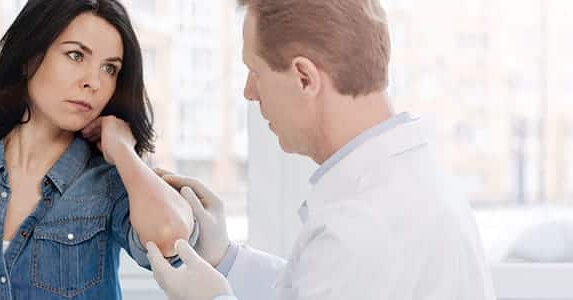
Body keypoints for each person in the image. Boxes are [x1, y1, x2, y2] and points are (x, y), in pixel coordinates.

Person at [145, 0, 496, 299]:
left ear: (304, 78)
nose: (249, 92)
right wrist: (226, 259)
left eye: (256, 71)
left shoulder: (358, 229)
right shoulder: (407, 183)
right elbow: (316, 284)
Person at [0, 1, 196, 299]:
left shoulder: (111, 181)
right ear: (29, 56)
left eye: (110, 69)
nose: (94, 82)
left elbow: (172, 240)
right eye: (76, 55)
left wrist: (124, 150)